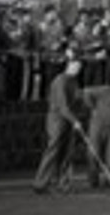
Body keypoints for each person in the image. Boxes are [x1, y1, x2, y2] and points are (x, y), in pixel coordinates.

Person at [32, 56, 86, 194]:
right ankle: (41, 183)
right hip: (57, 120)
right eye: (76, 66)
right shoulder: (60, 81)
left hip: (68, 120)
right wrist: (75, 121)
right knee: (53, 150)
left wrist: (76, 117)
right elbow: (62, 106)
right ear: (69, 65)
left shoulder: (74, 81)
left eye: (80, 67)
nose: (78, 69)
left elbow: (76, 100)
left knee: (67, 153)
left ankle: (63, 184)